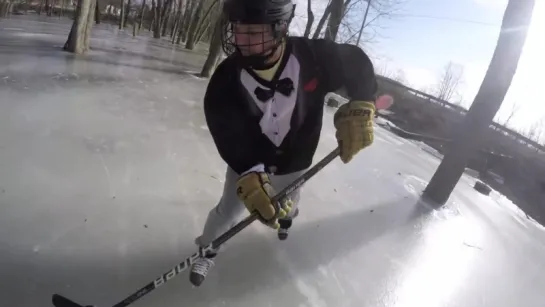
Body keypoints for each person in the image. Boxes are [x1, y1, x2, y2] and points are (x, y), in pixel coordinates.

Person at [189, 0, 378, 287]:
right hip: (250, 162)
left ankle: (287, 222)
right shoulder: (225, 80)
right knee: (227, 210)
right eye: (238, 30)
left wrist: (364, 101)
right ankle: (208, 249)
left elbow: (356, 63)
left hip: (296, 160)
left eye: (253, 32)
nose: (242, 41)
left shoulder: (315, 57)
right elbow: (226, 130)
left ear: (281, 28)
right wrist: (247, 170)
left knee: (288, 206)